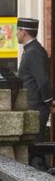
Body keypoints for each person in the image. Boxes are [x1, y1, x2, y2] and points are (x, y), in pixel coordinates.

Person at [16, 17, 53, 171]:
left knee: (35, 149)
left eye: (17, 30)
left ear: (23, 32)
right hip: (33, 106)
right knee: (33, 148)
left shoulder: (33, 52)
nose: (16, 34)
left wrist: (49, 101)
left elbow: (43, 81)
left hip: (36, 107)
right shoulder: (31, 50)